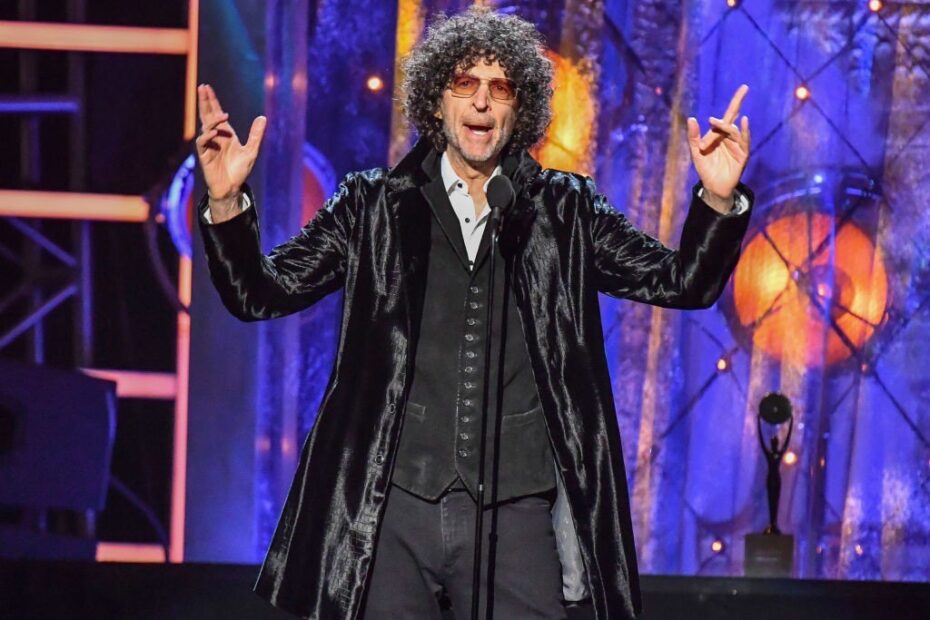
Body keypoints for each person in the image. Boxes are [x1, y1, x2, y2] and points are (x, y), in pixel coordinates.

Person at [195, 7, 753, 620]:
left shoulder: (564, 211)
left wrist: (717, 198)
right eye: (465, 83)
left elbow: (682, 282)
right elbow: (262, 293)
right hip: (392, 508)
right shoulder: (373, 206)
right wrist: (226, 203)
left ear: (520, 109)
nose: (482, 101)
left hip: (515, 512)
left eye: (500, 87)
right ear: (437, 101)